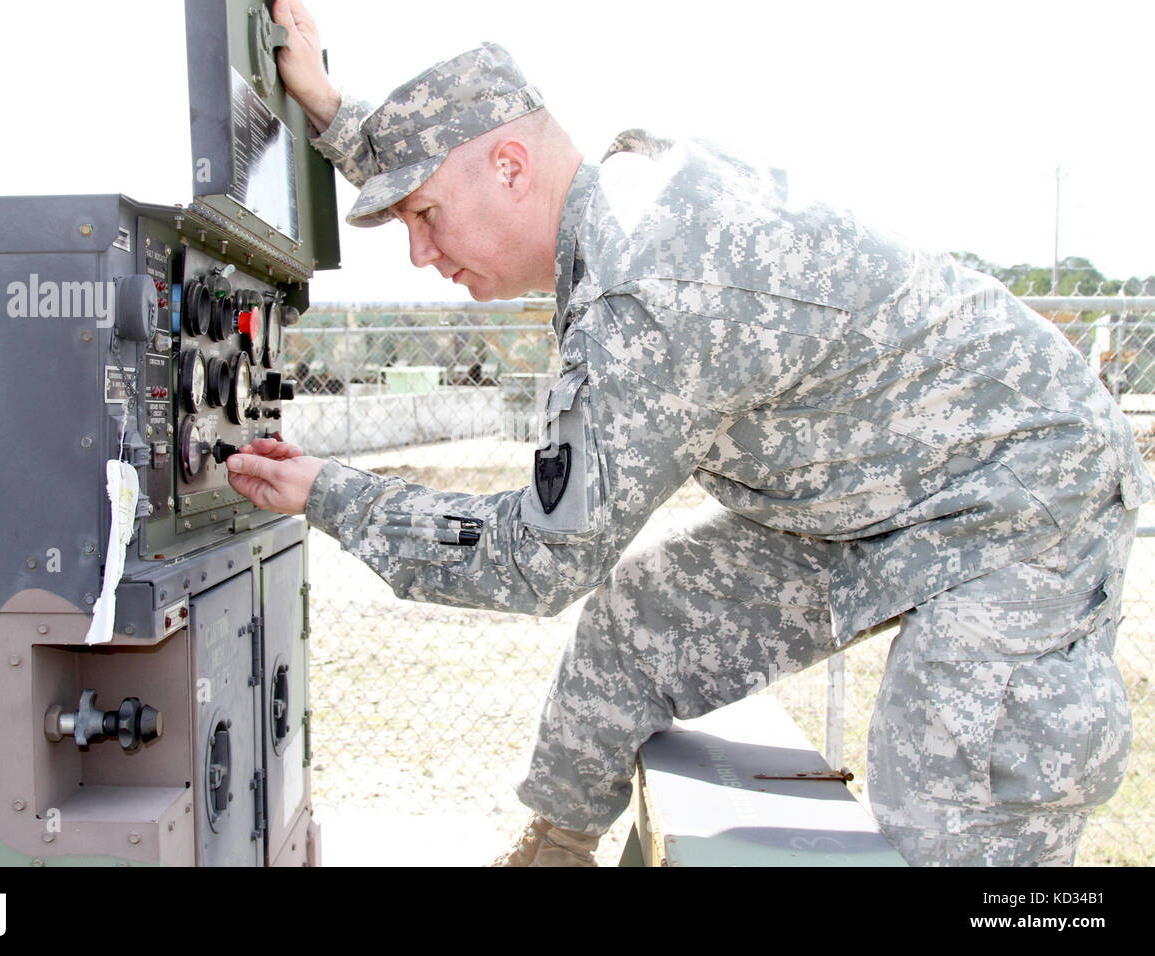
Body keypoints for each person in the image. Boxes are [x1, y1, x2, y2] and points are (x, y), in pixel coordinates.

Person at [226, 0, 1152, 866]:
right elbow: (450, 147)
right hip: (865, 498)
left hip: (1020, 494)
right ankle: (555, 851)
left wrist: (329, 492)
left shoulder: (647, 290)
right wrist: (334, 111)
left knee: (953, 789)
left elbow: (534, 559)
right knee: (640, 623)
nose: (421, 252)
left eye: (423, 216)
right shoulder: (611, 204)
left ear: (510, 168)